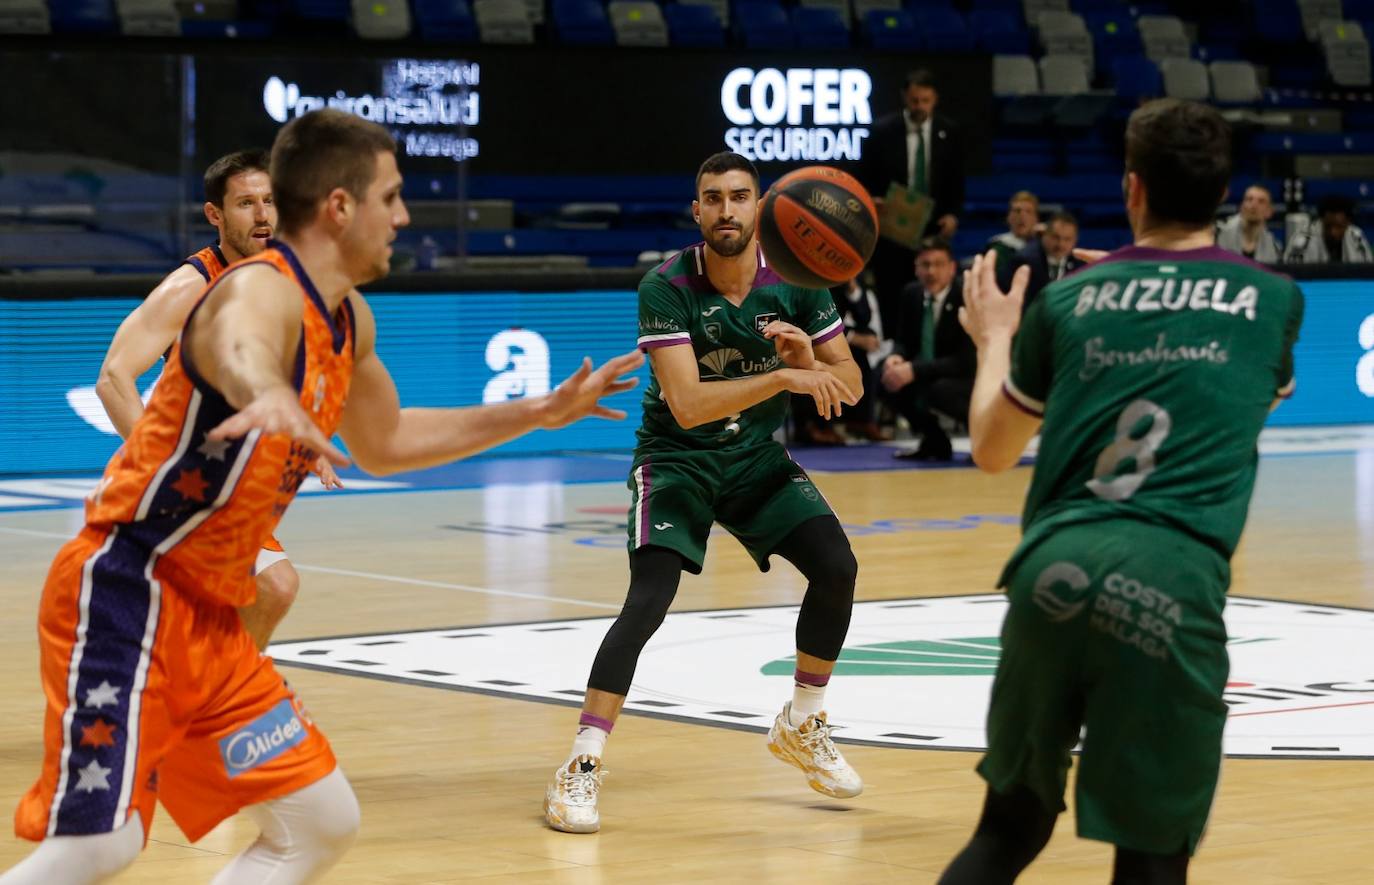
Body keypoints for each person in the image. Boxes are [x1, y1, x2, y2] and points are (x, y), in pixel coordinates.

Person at [2, 108, 643, 885]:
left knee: (323, 822)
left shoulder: (349, 317)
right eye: (392, 196)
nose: (404, 216)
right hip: (127, 591)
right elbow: (238, 339)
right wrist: (266, 390)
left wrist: (538, 412)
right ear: (340, 206)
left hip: (212, 618)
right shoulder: (257, 290)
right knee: (102, 845)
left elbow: (389, 441)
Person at [938, 98, 1303, 884]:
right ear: (1224, 193)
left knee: (1007, 832)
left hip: (1049, 570)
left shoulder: (1065, 302)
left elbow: (995, 452)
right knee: (1149, 860)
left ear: (1132, 188)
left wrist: (996, 337)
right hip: (1171, 581)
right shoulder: (1275, 301)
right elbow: (1251, 397)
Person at [543, 151, 865, 835]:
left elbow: (851, 383)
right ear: (697, 212)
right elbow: (686, 404)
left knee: (838, 567)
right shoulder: (666, 284)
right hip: (677, 458)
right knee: (648, 601)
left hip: (753, 459)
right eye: (712, 198)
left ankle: (802, 722)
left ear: (761, 207)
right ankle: (582, 762)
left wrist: (812, 361)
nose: (726, 210)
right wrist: (783, 379)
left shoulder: (801, 280)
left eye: (739, 196)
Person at [94, 148, 329, 652]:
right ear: (215, 215)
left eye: (269, 200)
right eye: (246, 203)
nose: (263, 215)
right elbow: (114, 378)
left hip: (230, 480)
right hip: (180, 481)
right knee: (271, 585)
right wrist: (162, 469)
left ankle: (217, 690)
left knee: (266, 593)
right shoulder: (189, 286)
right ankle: (216, 692)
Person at [859, 69, 967, 329]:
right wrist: (872, 200)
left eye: (925, 101)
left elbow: (956, 181)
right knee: (892, 293)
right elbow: (864, 177)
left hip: (932, 230)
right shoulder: (881, 132)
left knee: (931, 292)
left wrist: (953, 214)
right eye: (914, 100)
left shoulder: (949, 133)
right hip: (892, 233)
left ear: (935, 99)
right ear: (905, 98)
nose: (919, 107)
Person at [881, 239, 974, 461]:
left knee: (940, 389)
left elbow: (966, 360)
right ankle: (935, 442)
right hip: (928, 370)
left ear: (952, 268)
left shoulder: (967, 296)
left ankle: (983, 441)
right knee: (884, 377)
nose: (931, 271)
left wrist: (913, 369)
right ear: (916, 268)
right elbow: (903, 339)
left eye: (938, 264)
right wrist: (896, 356)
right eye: (925, 264)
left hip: (968, 376)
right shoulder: (911, 294)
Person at [1000, 211, 1085, 309]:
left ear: (1075, 240)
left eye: (1067, 239)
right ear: (1045, 235)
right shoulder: (1024, 261)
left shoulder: (1080, 265)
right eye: (1055, 237)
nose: (1060, 244)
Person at [1282, 193, 1372, 263]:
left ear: (1348, 224)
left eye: (1339, 227)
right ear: (1321, 221)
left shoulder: (1356, 236)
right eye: (1328, 226)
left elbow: (1367, 272)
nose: (1333, 232)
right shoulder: (1302, 239)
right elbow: (1291, 275)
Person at [1215, 184, 1281, 263]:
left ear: (1269, 211)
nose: (1254, 205)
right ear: (1241, 207)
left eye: (1261, 201)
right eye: (1249, 199)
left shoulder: (1274, 247)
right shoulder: (1217, 233)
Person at [985, 191, 1040, 271]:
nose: (1022, 216)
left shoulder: (1045, 245)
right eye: (1017, 211)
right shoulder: (998, 247)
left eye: (1028, 212)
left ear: (1036, 219)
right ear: (1008, 217)